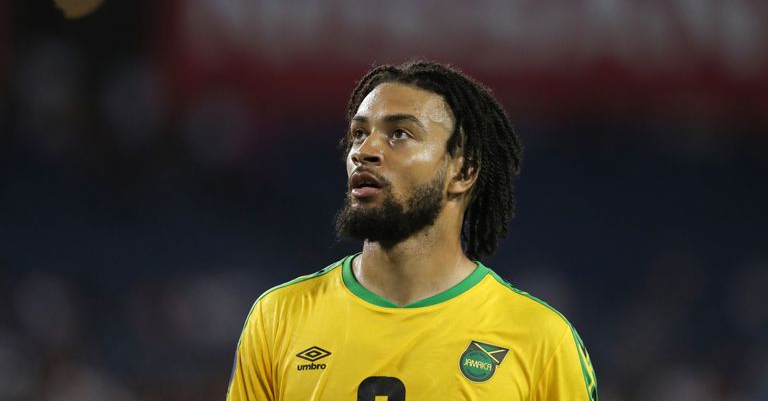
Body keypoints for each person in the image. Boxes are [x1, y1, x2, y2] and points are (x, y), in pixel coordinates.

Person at [226, 61, 598, 400]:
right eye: (358, 133)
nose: (364, 150)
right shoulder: (278, 318)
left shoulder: (541, 340)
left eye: (399, 134)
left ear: (463, 172)